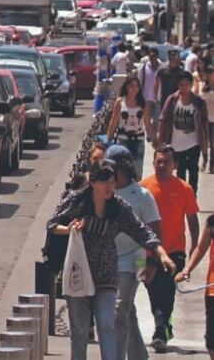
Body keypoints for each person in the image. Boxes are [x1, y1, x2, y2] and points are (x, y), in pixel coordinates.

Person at [48, 161, 175, 360]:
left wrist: (162, 254)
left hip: (106, 273)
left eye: (112, 183)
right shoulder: (76, 201)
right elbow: (52, 224)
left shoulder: (118, 207)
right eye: (105, 182)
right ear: (93, 182)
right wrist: (69, 230)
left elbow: (141, 231)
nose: (109, 187)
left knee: (107, 324)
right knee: (80, 331)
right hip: (78, 272)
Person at [141, 146, 202, 351]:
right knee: (152, 289)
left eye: (166, 162)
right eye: (159, 161)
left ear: (175, 164)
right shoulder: (144, 188)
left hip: (175, 250)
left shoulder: (184, 188)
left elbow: (192, 218)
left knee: (167, 290)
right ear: (153, 163)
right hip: (148, 251)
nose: (162, 165)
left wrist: (194, 245)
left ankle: (160, 330)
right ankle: (164, 324)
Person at [107, 145, 161, 360]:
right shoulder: (105, 191)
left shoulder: (142, 195)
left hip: (136, 259)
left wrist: (152, 262)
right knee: (127, 310)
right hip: (108, 259)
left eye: (113, 168)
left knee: (119, 309)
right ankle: (139, 356)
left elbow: (155, 230)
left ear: (123, 168)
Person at [157, 71, 209, 192]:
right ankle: (182, 196)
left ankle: (192, 197)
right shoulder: (172, 100)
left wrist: (205, 151)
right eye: (181, 84)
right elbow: (162, 119)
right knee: (180, 171)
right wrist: (160, 139)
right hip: (177, 144)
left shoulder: (198, 102)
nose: (183, 87)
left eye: (186, 84)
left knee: (193, 170)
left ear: (191, 85)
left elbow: (204, 126)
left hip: (193, 143)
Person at [174, 213, 214, 360]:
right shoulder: (212, 222)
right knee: (211, 341)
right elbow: (201, 248)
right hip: (212, 290)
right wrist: (186, 270)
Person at [107, 77, 154, 178]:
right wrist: (108, 140)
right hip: (123, 138)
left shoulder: (142, 103)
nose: (134, 89)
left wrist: (153, 138)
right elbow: (113, 122)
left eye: (137, 86)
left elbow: (147, 123)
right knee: (122, 169)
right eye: (132, 86)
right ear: (127, 87)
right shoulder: (120, 102)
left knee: (137, 169)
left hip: (138, 139)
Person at [139, 49, 164, 137]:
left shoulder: (162, 68)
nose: (152, 58)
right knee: (147, 119)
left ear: (157, 56)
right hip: (146, 97)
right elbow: (140, 81)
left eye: (154, 56)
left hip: (158, 98)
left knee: (156, 119)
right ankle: (150, 135)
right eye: (150, 56)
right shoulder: (143, 68)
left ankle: (153, 133)